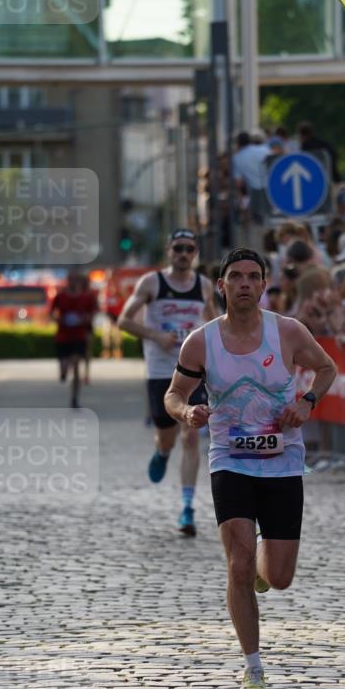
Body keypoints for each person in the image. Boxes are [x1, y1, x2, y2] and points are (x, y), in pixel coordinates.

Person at [164, 248, 337, 689]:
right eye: (235, 276)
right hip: (230, 462)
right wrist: (187, 411)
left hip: (283, 464)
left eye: (252, 277)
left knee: (278, 578)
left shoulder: (287, 332)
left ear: (264, 285)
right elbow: (174, 393)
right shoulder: (201, 342)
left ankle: (265, 568)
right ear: (220, 285)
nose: (244, 283)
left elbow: (326, 367)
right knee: (238, 564)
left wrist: (307, 401)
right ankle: (253, 668)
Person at [118, 228, 217, 536]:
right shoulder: (152, 283)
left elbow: (215, 325)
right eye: (178, 248)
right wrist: (156, 335)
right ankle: (161, 452)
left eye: (189, 249)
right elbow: (124, 320)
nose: (184, 254)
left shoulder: (203, 286)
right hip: (161, 371)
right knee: (168, 437)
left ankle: (187, 508)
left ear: (196, 251)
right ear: (169, 250)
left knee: (191, 436)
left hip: (193, 371)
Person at [51, 271, 97, 408]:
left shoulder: (86, 298)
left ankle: (74, 398)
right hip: (63, 336)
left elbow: (93, 313)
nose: (73, 283)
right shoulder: (60, 297)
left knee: (77, 365)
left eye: (76, 280)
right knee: (65, 366)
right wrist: (58, 319)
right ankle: (64, 371)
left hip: (79, 335)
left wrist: (84, 319)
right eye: (71, 280)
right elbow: (52, 313)